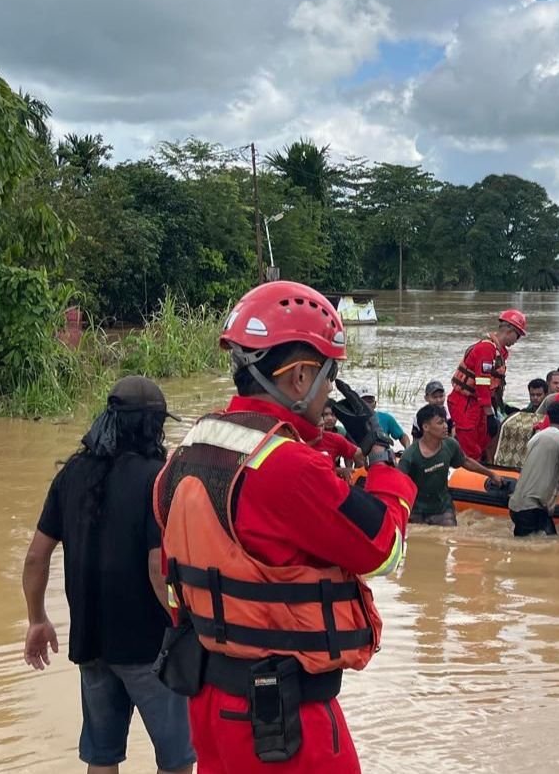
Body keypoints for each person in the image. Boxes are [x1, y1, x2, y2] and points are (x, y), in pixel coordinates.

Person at [152, 281, 418, 773]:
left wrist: (328, 447)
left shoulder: (188, 453)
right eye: (328, 376)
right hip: (283, 726)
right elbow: (384, 549)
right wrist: (384, 466)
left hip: (210, 704)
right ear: (299, 377)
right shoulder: (291, 470)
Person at [23, 376, 195, 774]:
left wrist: (37, 619)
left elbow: (35, 558)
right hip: (151, 648)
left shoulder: (73, 473)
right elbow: (158, 570)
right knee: (177, 759)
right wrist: (185, 622)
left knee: (101, 756)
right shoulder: (159, 478)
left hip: (91, 644)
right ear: (154, 426)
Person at [401, 404, 500, 526]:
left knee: (449, 534)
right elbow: (398, 484)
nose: (445, 426)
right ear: (426, 427)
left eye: (445, 422)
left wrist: (491, 474)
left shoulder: (450, 445)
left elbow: (466, 461)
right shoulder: (410, 456)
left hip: (442, 509)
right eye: (440, 423)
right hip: (416, 510)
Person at [448, 309, 527, 460]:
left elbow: (492, 385)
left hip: (479, 404)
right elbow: (482, 381)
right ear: (510, 330)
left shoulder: (499, 352)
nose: (516, 341)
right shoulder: (487, 349)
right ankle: (470, 473)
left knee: (483, 442)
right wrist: (490, 414)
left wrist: (496, 407)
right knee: (470, 446)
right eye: (518, 336)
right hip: (465, 403)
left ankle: (483, 467)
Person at [509, 400, 559, 536]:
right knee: (546, 547)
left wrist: (558, 487)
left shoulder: (537, 436)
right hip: (532, 508)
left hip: (518, 504)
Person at [313, 402, 366, 481]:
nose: (330, 418)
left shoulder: (340, 433)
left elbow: (357, 453)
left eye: (333, 415)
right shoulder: (301, 437)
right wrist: (341, 470)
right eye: (326, 414)